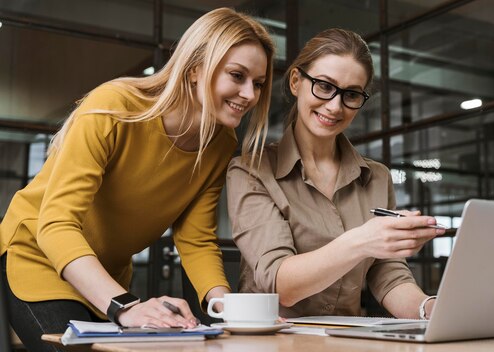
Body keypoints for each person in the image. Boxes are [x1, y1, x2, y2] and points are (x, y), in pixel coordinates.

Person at [0, 7, 274, 351]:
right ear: (194, 69)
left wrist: (230, 309)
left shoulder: (221, 143)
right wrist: (124, 306)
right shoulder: (115, 106)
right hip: (36, 260)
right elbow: (56, 225)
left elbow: (196, 240)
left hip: (107, 278)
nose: (250, 94)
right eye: (237, 76)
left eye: (259, 83)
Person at [226, 28, 444, 320]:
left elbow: (388, 274)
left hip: (343, 338)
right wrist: (363, 241)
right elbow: (280, 283)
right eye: (324, 86)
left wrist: (430, 310)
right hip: (271, 341)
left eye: (351, 94)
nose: (335, 106)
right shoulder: (250, 171)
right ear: (295, 82)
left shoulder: (376, 177)